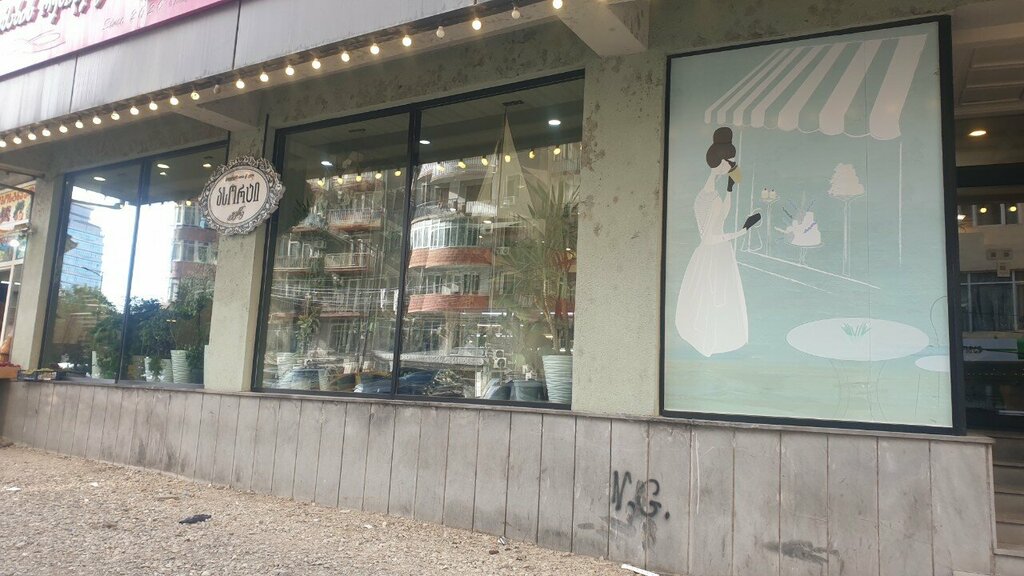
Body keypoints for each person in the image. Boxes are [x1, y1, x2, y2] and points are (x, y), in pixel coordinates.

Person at [675, 127, 759, 357]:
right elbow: (709, 237)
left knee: (724, 295)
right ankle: (709, 337)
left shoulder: (713, 193)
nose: (732, 165)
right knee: (712, 295)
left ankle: (722, 334)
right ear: (720, 163)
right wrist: (742, 231)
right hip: (712, 252)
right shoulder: (704, 198)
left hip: (721, 251)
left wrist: (730, 188)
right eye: (729, 161)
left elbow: (722, 215)